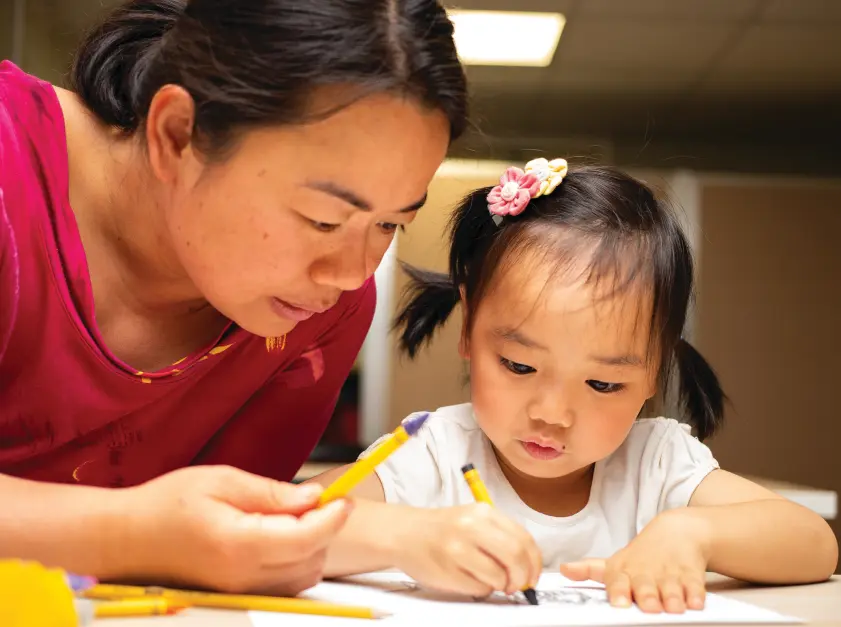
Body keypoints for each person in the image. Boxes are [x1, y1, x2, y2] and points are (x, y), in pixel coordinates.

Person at [0, 0, 467, 594]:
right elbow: (169, 544)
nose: (352, 274)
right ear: (176, 135)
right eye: (324, 220)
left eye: (389, 225)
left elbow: (227, 544)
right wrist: (135, 536)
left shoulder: (320, 313)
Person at [313, 160, 839, 612]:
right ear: (469, 329)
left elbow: (814, 543)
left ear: (655, 369)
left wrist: (693, 534)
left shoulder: (654, 464)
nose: (553, 413)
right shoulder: (432, 453)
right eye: (519, 367)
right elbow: (276, 524)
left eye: (604, 383)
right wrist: (407, 538)